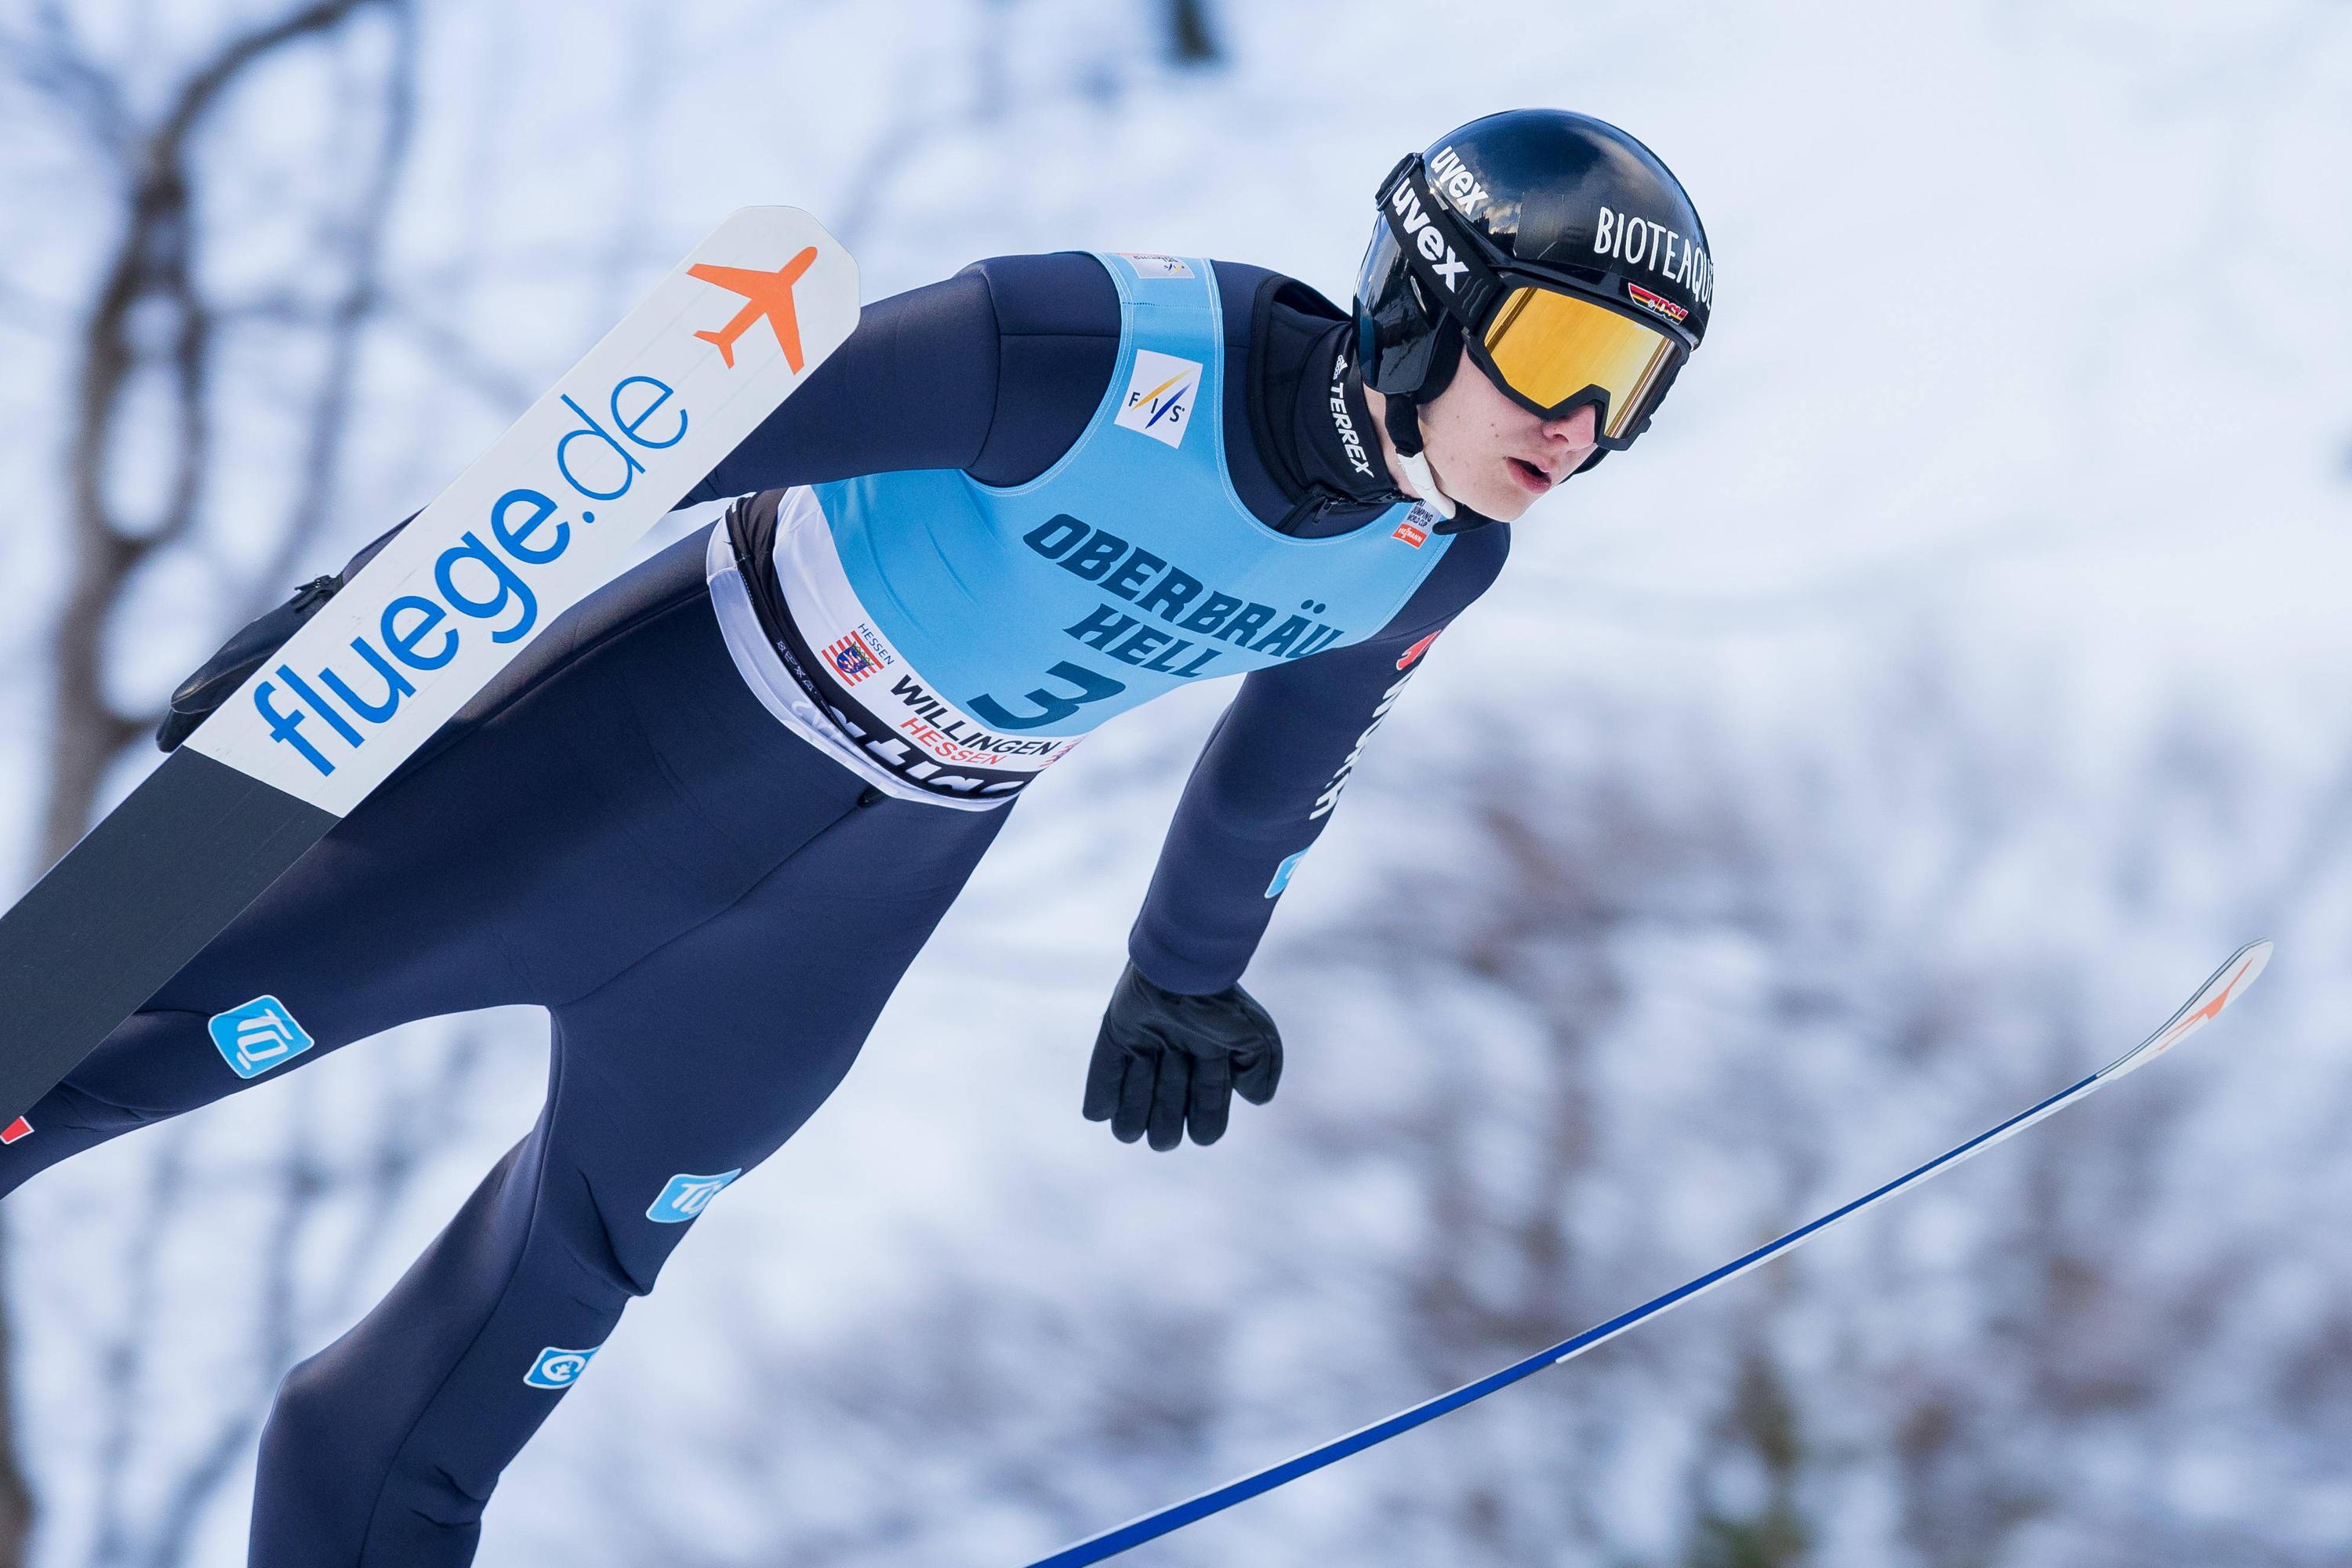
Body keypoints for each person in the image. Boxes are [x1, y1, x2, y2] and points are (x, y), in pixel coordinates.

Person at [1, 107, 1711, 1565]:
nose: (1580, 427)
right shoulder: (1100, 350)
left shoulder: (1434, 558)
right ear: (1425, 295)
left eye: (1630, 386)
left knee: (453, 1408)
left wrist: (1187, 973)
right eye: (1560, 353)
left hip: (823, 934)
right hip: (606, 768)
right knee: (65, 1054)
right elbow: (674, 433)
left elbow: (1284, 768)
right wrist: (377, 605)